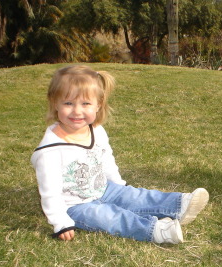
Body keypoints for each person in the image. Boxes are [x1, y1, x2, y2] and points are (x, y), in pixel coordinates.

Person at [31, 65, 209, 244]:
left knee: (136, 197)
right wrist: (60, 222)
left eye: (85, 104)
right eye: (68, 103)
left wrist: (118, 186)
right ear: (55, 103)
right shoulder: (50, 150)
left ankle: (179, 204)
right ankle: (156, 230)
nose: (77, 111)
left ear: (98, 105)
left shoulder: (96, 131)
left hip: (104, 188)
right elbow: (49, 193)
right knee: (110, 217)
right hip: (75, 206)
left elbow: (106, 159)